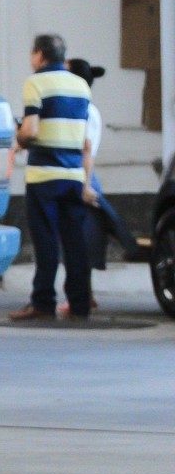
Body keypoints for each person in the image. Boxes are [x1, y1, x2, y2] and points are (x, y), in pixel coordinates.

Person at [10, 35, 97, 321]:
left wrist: (20, 136)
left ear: (40, 55)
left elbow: (32, 130)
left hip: (43, 175)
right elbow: (84, 140)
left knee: (46, 241)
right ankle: (80, 304)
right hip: (73, 174)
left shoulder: (35, 83)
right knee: (75, 243)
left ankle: (43, 303)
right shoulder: (81, 86)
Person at [60, 59, 144, 315]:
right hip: (78, 178)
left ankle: (82, 298)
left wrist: (86, 186)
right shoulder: (78, 108)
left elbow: (88, 151)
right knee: (80, 240)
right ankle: (84, 296)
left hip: (83, 180)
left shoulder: (87, 111)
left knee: (82, 241)